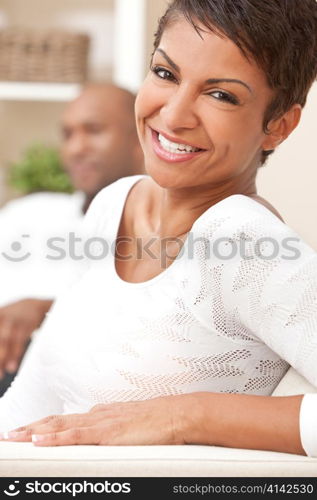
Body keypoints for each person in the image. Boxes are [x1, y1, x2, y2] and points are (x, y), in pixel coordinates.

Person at [0, 0, 316, 457]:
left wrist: (184, 416)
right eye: (166, 74)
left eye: (220, 94)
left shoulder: (243, 240)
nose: (173, 115)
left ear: (278, 125)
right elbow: (32, 400)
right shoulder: (117, 202)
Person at [0, 82, 143, 389]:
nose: (76, 148)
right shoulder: (27, 213)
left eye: (93, 130)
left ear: (141, 137)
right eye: (67, 135)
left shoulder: (164, 230)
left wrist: (47, 310)